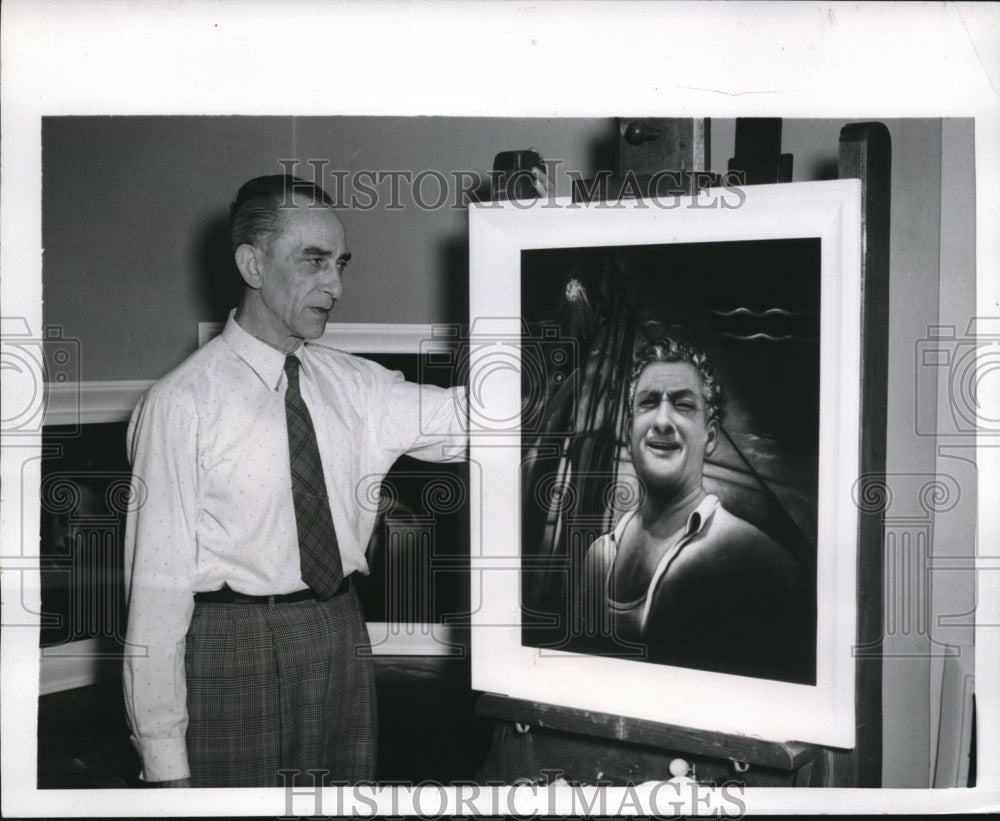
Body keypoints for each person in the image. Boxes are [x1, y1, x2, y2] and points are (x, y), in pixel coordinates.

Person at [122, 175, 467, 787]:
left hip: (340, 632)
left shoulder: (356, 385)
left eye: (340, 263)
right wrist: (163, 760)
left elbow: (476, 420)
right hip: (231, 649)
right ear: (252, 264)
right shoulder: (180, 404)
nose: (335, 285)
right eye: (314, 260)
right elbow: (156, 596)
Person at [575, 337, 808, 682]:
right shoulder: (598, 559)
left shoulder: (759, 561)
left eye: (683, 405)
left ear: (710, 437)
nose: (662, 421)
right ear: (629, 430)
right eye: (648, 403)